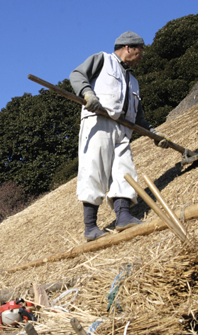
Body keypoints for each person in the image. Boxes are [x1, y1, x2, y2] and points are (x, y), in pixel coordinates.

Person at [70, 31, 169, 241]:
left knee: (125, 169)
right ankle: (90, 227)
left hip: (123, 129)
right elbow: (77, 75)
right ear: (128, 47)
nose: (141, 56)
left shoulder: (133, 81)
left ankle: (123, 216)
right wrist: (88, 94)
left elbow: (139, 117)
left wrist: (153, 133)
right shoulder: (102, 60)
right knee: (94, 168)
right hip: (99, 121)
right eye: (139, 51)